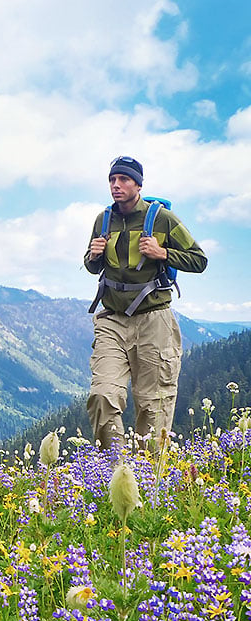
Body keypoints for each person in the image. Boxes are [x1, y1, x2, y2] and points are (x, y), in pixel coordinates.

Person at [84, 156, 207, 452]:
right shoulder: (103, 220)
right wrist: (92, 256)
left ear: (138, 184)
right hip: (112, 317)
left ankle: (148, 477)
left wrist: (162, 253)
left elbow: (199, 260)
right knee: (102, 394)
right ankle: (115, 470)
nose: (116, 185)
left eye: (124, 179)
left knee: (154, 406)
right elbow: (91, 267)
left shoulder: (163, 219)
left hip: (154, 319)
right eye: (112, 180)